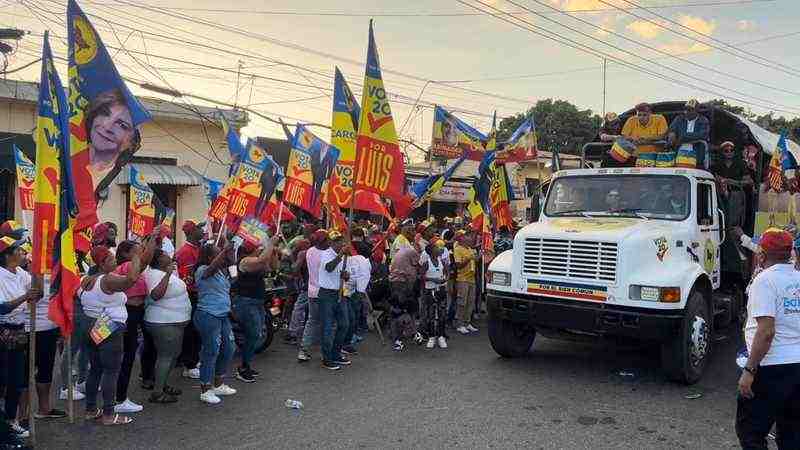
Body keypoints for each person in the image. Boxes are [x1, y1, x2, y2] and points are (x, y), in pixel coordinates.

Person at [737, 229, 800, 449]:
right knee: (791, 434)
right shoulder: (798, 278)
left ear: (762, 254)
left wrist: (750, 370)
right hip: (797, 367)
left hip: (772, 368)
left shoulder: (764, 281)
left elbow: (766, 332)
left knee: (750, 432)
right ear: (790, 253)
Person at [79, 239, 153, 426]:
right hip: (107, 326)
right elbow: (130, 280)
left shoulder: (88, 279)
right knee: (111, 371)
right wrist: (136, 258)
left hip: (90, 323)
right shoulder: (107, 279)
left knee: (95, 369)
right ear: (102, 263)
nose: (115, 261)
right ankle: (109, 414)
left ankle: (90, 409)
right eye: (111, 259)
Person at [0, 236, 42, 440]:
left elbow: (37, 293)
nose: (22, 253)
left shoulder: (20, 274)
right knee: (3, 380)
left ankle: (10, 421)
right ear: (7, 255)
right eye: (18, 250)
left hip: (19, 330)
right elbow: (2, 307)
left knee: (17, 380)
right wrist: (26, 297)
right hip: (3, 330)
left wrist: (39, 273)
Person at [142, 249, 191, 404]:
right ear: (157, 260)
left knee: (173, 355)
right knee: (165, 356)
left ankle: (162, 384)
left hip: (174, 321)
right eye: (164, 255)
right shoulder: (154, 274)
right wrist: (168, 275)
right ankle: (157, 393)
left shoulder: (163, 272)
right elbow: (156, 295)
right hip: (164, 322)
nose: (168, 255)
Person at [194, 242, 237, 405]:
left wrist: (232, 260)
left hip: (222, 315)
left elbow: (234, 279)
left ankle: (218, 383)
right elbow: (210, 269)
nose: (222, 255)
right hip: (208, 315)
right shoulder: (202, 270)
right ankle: (206, 389)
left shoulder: (220, 271)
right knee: (211, 351)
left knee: (229, 348)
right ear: (210, 257)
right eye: (218, 253)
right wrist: (225, 251)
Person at [232, 236, 279, 382]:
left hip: (257, 302)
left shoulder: (257, 260)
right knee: (253, 334)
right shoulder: (245, 261)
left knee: (256, 334)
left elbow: (273, 267)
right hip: (246, 302)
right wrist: (270, 245)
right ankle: (243, 367)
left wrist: (274, 252)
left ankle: (246, 365)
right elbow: (261, 261)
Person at [111, 240, 151, 413]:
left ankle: (117, 396)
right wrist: (153, 241)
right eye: (137, 251)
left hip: (134, 312)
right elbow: (145, 262)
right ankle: (120, 399)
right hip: (130, 313)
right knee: (127, 356)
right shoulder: (128, 266)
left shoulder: (129, 265)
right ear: (127, 254)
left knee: (126, 355)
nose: (140, 254)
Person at [174, 220, 205, 380]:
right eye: (200, 229)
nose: (203, 231)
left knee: (195, 330)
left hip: (196, 294)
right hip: (190, 295)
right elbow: (186, 278)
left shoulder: (197, 248)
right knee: (191, 331)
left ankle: (191, 359)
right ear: (192, 232)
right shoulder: (186, 252)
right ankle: (189, 364)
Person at [317, 231, 352, 370]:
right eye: (336, 241)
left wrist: (346, 275)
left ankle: (336, 353)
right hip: (326, 295)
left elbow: (347, 275)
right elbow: (329, 267)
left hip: (340, 293)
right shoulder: (326, 254)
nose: (339, 243)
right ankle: (327, 358)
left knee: (344, 324)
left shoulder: (345, 256)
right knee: (327, 327)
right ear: (331, 243)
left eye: (341, 240)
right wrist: (340, 255)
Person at [297, 230, 329, 362]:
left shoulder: (309, 251)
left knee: (312, 321)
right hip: (324, 292)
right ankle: (325, 352)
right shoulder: (326, 254)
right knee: (327, 322)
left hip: (312, 291)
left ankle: (303, 350)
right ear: (323, 241)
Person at [388, 239, 422, 351]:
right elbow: (417, 270)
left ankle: (402, 335)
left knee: (397, 310)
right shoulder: (413, 253)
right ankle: (398, 338)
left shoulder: (405, 251)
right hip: (401, 283)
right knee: (401, 311)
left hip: (396, 282)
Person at [713, 141, 752, 229]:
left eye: (731, 150)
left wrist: (732, 182)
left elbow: (749, 181)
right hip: (720, 194)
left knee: (734, 220)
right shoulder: (717, 165)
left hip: (736, 194)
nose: (729, 152)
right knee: (720, 217)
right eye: (726, 151)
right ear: (722, 152)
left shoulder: (741, 164)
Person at [342, 241, 372, 354]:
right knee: (347, 319)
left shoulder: (360, 261)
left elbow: (362, 277)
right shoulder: (345, 258)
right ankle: (342, 344)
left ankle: (345, 343)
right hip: (342, 293)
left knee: (351, 318)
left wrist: (359, 290)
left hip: (351, 293)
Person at [667, 99, 710, 169]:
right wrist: (672, 133)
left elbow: (703, 135)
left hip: (697, 154)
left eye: (690, 110)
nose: (686, 112)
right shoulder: (679, 119)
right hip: (679, 153)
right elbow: (671, 130)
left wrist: (682, 137)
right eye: (686, 109)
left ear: (697, 111)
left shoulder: (703, 120)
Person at [420, 242, 449, 349]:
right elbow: (421, 276)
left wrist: (446, 278)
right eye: (436, 247)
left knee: (442, 314)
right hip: (430, 291)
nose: (438, 249)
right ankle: (432, 337)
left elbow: (447, 271)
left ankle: (441, 336)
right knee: (431, 315)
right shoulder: (426, 263)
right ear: (431, 251)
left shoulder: (441, 261)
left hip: (441, 290)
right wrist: (433, 279)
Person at [454, 231, 479, 335]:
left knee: (470, 302)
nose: (469, 237)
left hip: (471, 278)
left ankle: (467, 322)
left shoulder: (470, 249)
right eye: (466, 236)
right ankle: (460, 324)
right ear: (461, 238)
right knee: (462, 302)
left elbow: (475, 261)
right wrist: (468, 259)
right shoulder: (457, 249)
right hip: (462, 279)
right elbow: (458, 265)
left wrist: (478, 257)